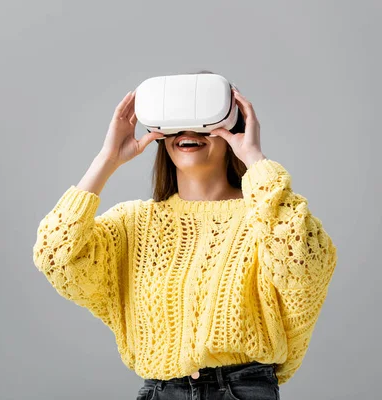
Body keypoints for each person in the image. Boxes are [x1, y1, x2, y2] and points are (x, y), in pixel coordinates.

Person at [31, 71, 337, 400]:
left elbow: (306, 262)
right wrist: (107, 159)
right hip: (161, 391)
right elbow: (55, 254)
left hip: (242, 389)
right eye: (175, 124)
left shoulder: (266, 216)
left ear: (232, 128)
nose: (189, 133)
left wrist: (254, 158)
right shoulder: (133, 222)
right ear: (160, 135)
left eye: (205, 122)